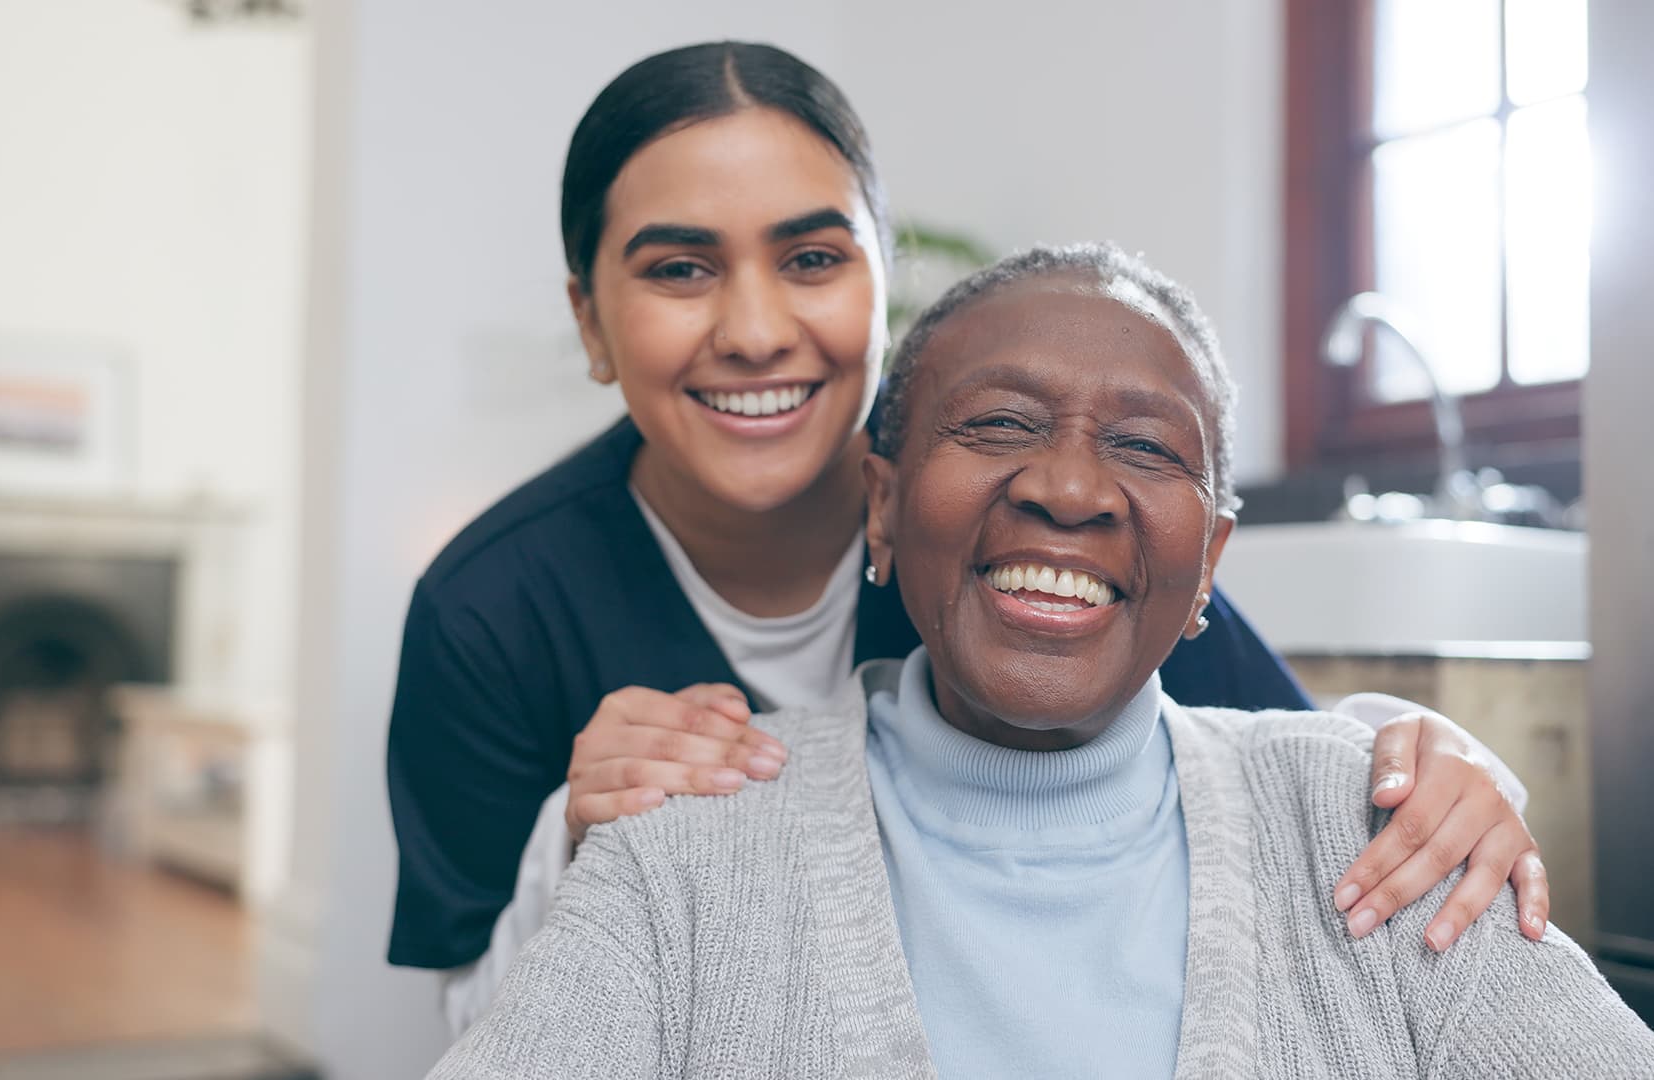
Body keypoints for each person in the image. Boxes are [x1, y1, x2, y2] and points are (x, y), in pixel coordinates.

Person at [385, 42, 1549, 1033]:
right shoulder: (490, 607)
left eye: (812, 259)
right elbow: (479, 1028)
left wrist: (1433, 758)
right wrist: (573, 842)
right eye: (680, 269)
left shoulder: (1013, 533)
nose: (752, 329)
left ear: (880, 286)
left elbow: (1287, 779)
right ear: (591, 320)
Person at [428, 244, 1654, 1079]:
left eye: (1145, 447)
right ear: (880, 504)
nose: (1071, 488)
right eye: (997, 425)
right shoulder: (692, 842)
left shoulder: (1384, 839)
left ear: (1211, 564)